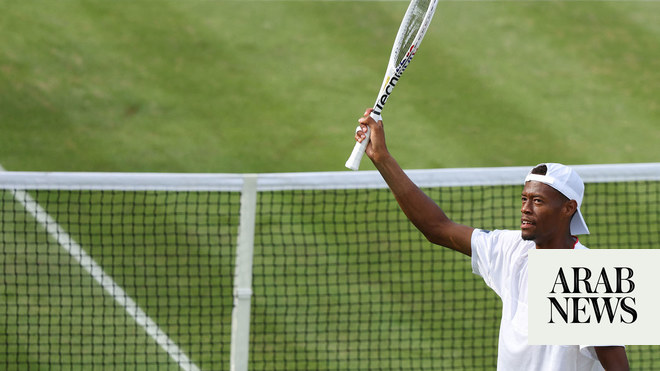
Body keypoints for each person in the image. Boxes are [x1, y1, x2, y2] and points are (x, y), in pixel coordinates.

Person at [354, 108, 630, 371]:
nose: (525, 208)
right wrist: (382, 158)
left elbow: (617, 365)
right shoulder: (511, 250)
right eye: (524, 199)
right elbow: (437, 227)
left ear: (568, 208)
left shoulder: (591, 277)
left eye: (537, 201)